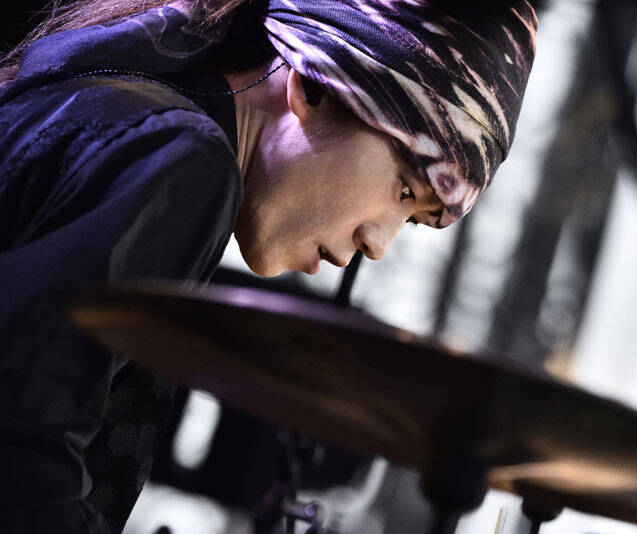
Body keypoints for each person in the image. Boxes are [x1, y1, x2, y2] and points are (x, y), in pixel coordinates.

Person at [0, 0, 538, 532]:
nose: (378, 244)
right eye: (404, 189)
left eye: (414, 219)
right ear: (312, 85)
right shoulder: (188, 160)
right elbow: (20, 457)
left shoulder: (132, 114)